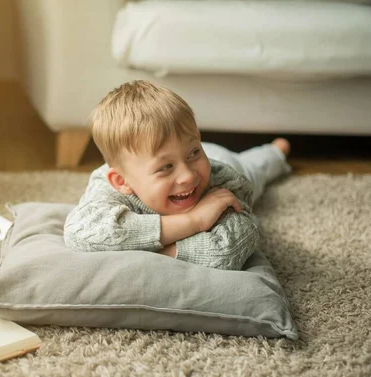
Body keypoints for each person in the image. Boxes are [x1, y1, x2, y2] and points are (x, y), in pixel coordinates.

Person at [63, 80, 291, 270]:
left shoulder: (223, 181)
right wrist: (194, 221)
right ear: (122, 181)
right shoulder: (107, 184)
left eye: (194, 151)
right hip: (192, 156)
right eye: (165, 167)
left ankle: (277, 150)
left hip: (223, 159)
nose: (188, 176)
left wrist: (139, 246)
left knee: (254, 168)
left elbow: (228, 250)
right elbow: (80, 234)